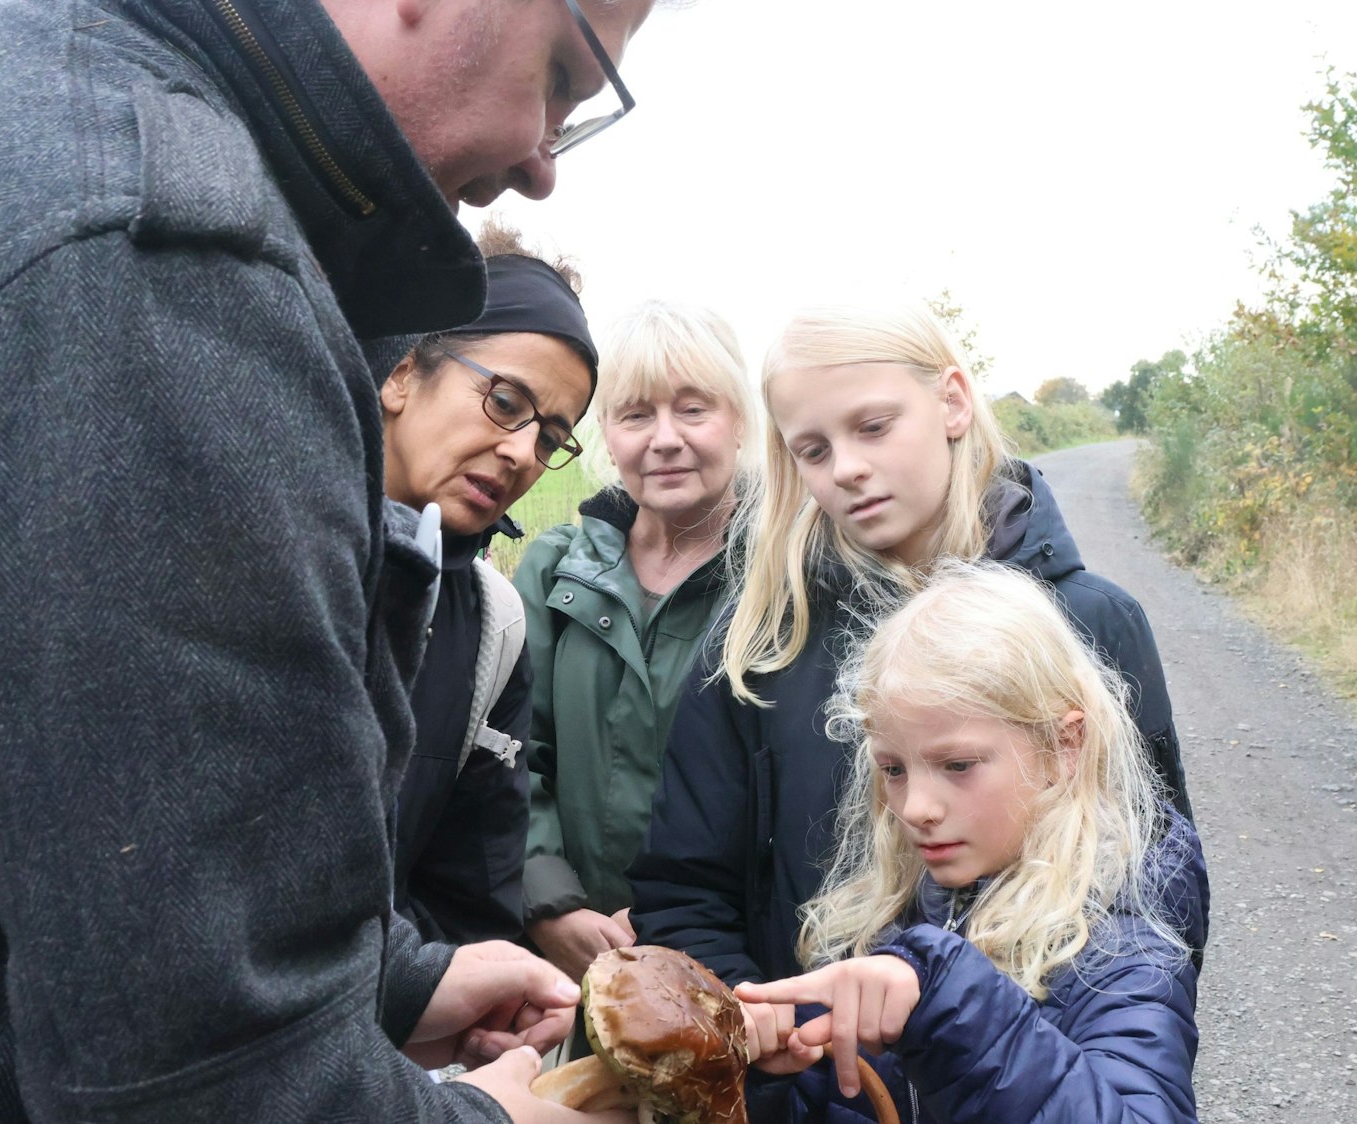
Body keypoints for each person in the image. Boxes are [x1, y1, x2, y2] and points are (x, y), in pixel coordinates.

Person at [0, 0, 656, 1119]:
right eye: (564, 76)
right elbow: (216, 1083)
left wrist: (397, 982)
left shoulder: (31, 115)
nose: (540, 160)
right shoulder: (149, 275)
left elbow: (61, 875)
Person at [629, 300, 1195, 1002]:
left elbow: (1157, 890)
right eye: (813, 450)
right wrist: (772, 1034)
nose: (847, 469)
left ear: (952, 402)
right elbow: (683, 891)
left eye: (873, 427)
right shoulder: (759, 642)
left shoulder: (1091, 621)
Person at [735, 561, 1206, 1124]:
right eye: (893, 769)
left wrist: (949, 1003)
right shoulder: (886, 919)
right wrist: (767, 1083)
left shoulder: (1120, 949)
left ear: (1063, 747)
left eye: (957, 765)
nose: (915, 808)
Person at [516, 300, 758, 984]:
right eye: (635, 415)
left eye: (693, 409)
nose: (665, 438)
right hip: (578, 965)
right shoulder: (554, 573)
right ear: (608, 435)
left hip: (739, 969)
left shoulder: (786, 581)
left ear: (739, 421)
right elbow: (509, 754)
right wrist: (549, 902)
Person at [386, 225, 598, 948]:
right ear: (403, 371)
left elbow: (469, 896)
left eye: (550, 437)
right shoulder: (273, 551)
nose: (521, 452)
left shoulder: (493, 627)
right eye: (506, 402)